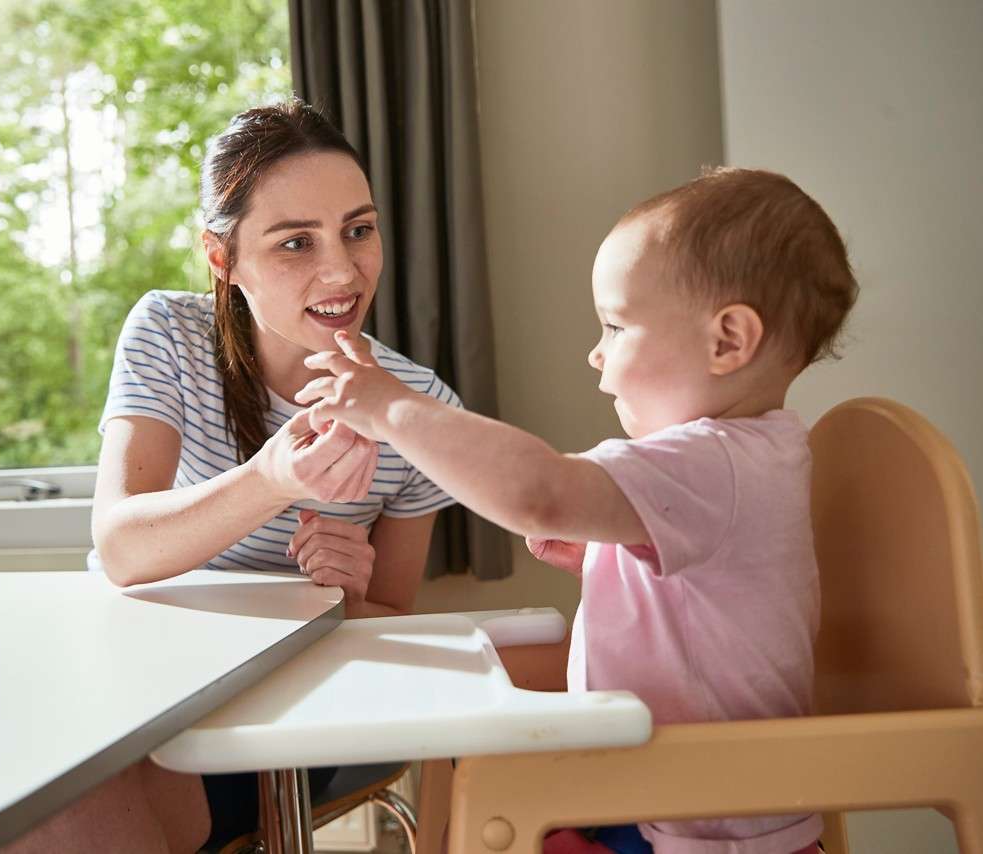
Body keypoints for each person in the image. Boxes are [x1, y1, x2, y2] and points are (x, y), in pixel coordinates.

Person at [294, 167, 859, 854]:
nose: (596, 354)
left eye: (616, 326)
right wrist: (611, 560)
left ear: (728, 342)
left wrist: (393, 408)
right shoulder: (752, 458)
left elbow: (540, 494)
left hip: (701, 830)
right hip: (667, 799)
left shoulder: (712, 461)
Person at [88, 100, 461, 849]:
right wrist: (275, 480)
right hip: (145, 686)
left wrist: (343, 597)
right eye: (296, 242)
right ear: (222, 259)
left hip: (299, 716)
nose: (343, 270)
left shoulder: (421, 408)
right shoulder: (168, 334)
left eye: (359, 229)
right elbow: (121, 549)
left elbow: (392, 620)